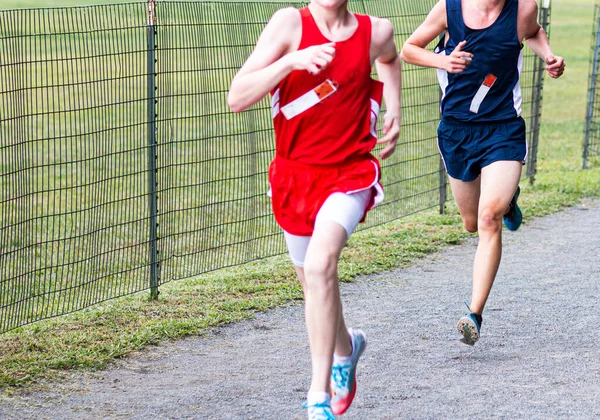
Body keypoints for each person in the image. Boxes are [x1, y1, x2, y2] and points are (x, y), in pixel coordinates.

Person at [228, 0, 401, 418]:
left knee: (322, 266)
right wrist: (291, 61)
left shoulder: (374, 30)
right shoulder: (289, 23)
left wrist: (393, 104)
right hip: (294, 177)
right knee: (314, 285)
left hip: (350, 172)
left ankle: (317, 395)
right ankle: (347, 348)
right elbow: (237, 97)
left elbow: (391, 60)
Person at [400, 0, 564, 345]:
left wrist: (548, 55)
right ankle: (507, 198)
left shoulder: (523, 9)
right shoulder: (449, 10)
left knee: (489, 219)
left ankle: (473, 312)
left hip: (503, 128)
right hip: (457, 131)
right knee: (472, 222)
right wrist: (442, 60)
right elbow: (408, 49)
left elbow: (533, 33)